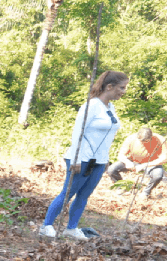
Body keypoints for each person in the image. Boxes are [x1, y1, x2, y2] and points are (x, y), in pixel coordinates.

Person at [39, 70, 127, 240]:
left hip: (99, 160)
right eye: (121, 88)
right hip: (82, 158)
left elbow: (106, 135)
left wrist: (105, 159)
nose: (124, 91)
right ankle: (46, 226)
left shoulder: (110, 107)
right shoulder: (91, 105)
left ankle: (71, 229)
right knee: (68, 193)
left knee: (84, 195)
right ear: (109, 87)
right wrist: (77, 158)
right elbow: (78, 132)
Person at [107, 125, 166, 200]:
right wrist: (127, 162)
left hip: (151, 163)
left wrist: (144, 165)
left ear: (151, 137)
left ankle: (146, 192)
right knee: (111, 169)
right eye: (140, 141)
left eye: (146, 141)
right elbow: (121, 155)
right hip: (133, 161)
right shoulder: (131, 138)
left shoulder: (160, 139)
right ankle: (121, 187)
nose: (143, 143)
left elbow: (164, 158)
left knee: (158, 175)